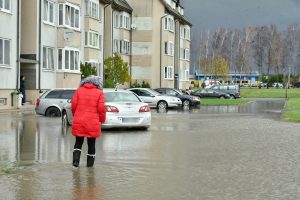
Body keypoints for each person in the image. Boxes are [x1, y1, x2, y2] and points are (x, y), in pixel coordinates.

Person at [71, 76, 106, 167]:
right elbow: (101, 109)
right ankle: (90, 166)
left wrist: (76, 115)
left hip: (79, 120)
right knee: (91, 144)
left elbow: (73, 105)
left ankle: (76, 161)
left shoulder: (79, 90)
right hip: (92, 122)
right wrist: (102, 120)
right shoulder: (99, 93)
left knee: (78, 142)